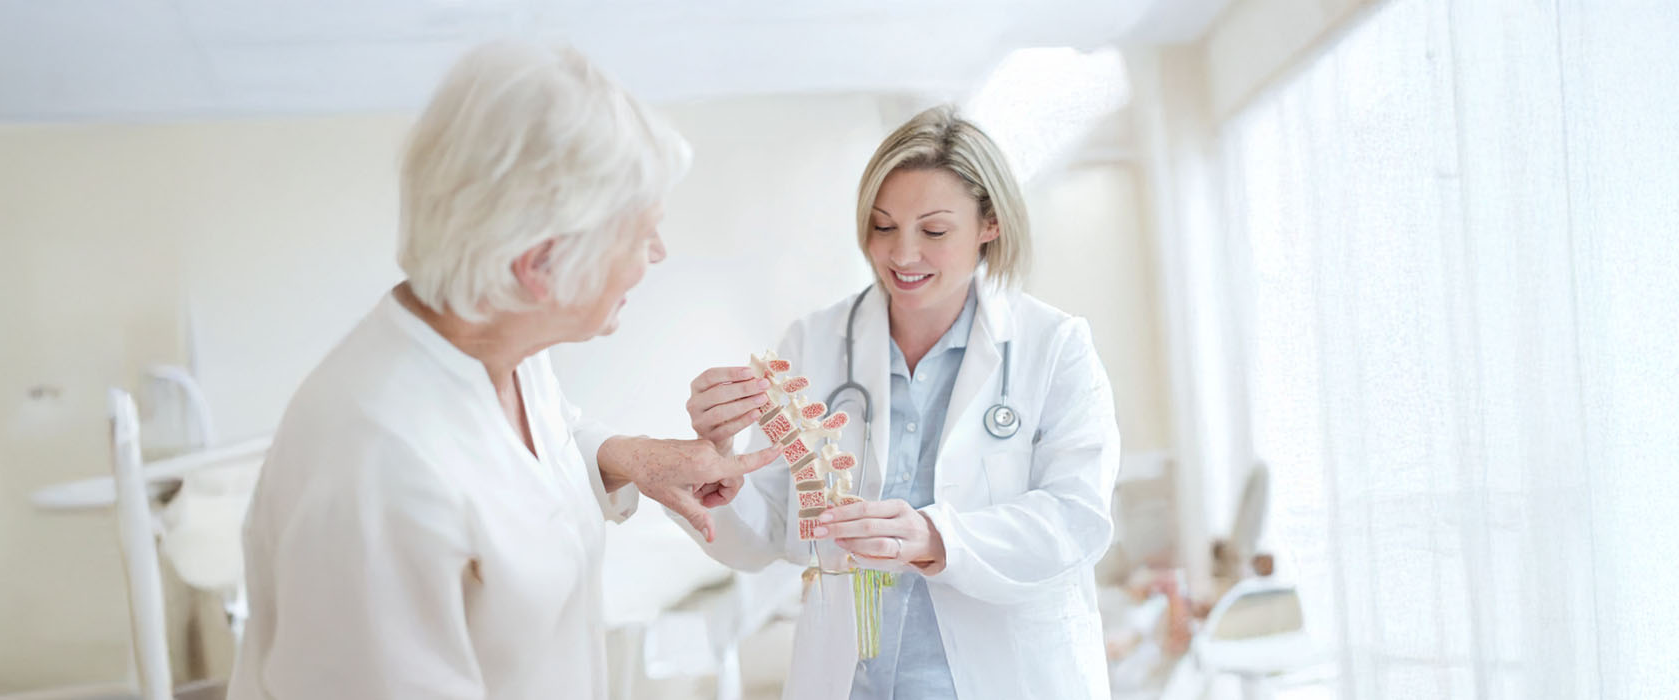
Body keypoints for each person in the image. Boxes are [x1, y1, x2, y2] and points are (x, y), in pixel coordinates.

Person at [226, 42, 777, 700]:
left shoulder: (492, 343)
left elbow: (534, 448)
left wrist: (628, 458)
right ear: (538, 266)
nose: (654, 256)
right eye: (640, 235)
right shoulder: (379, 471)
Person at [682, 105, 1121, 699]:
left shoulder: (1053, 345)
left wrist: (938, 537)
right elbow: (778, 529)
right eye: (883, 226)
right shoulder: (813, 342)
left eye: (934, 231)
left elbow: (1076, 519)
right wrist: (720, 465)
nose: (902, 254)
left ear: (988, 224)